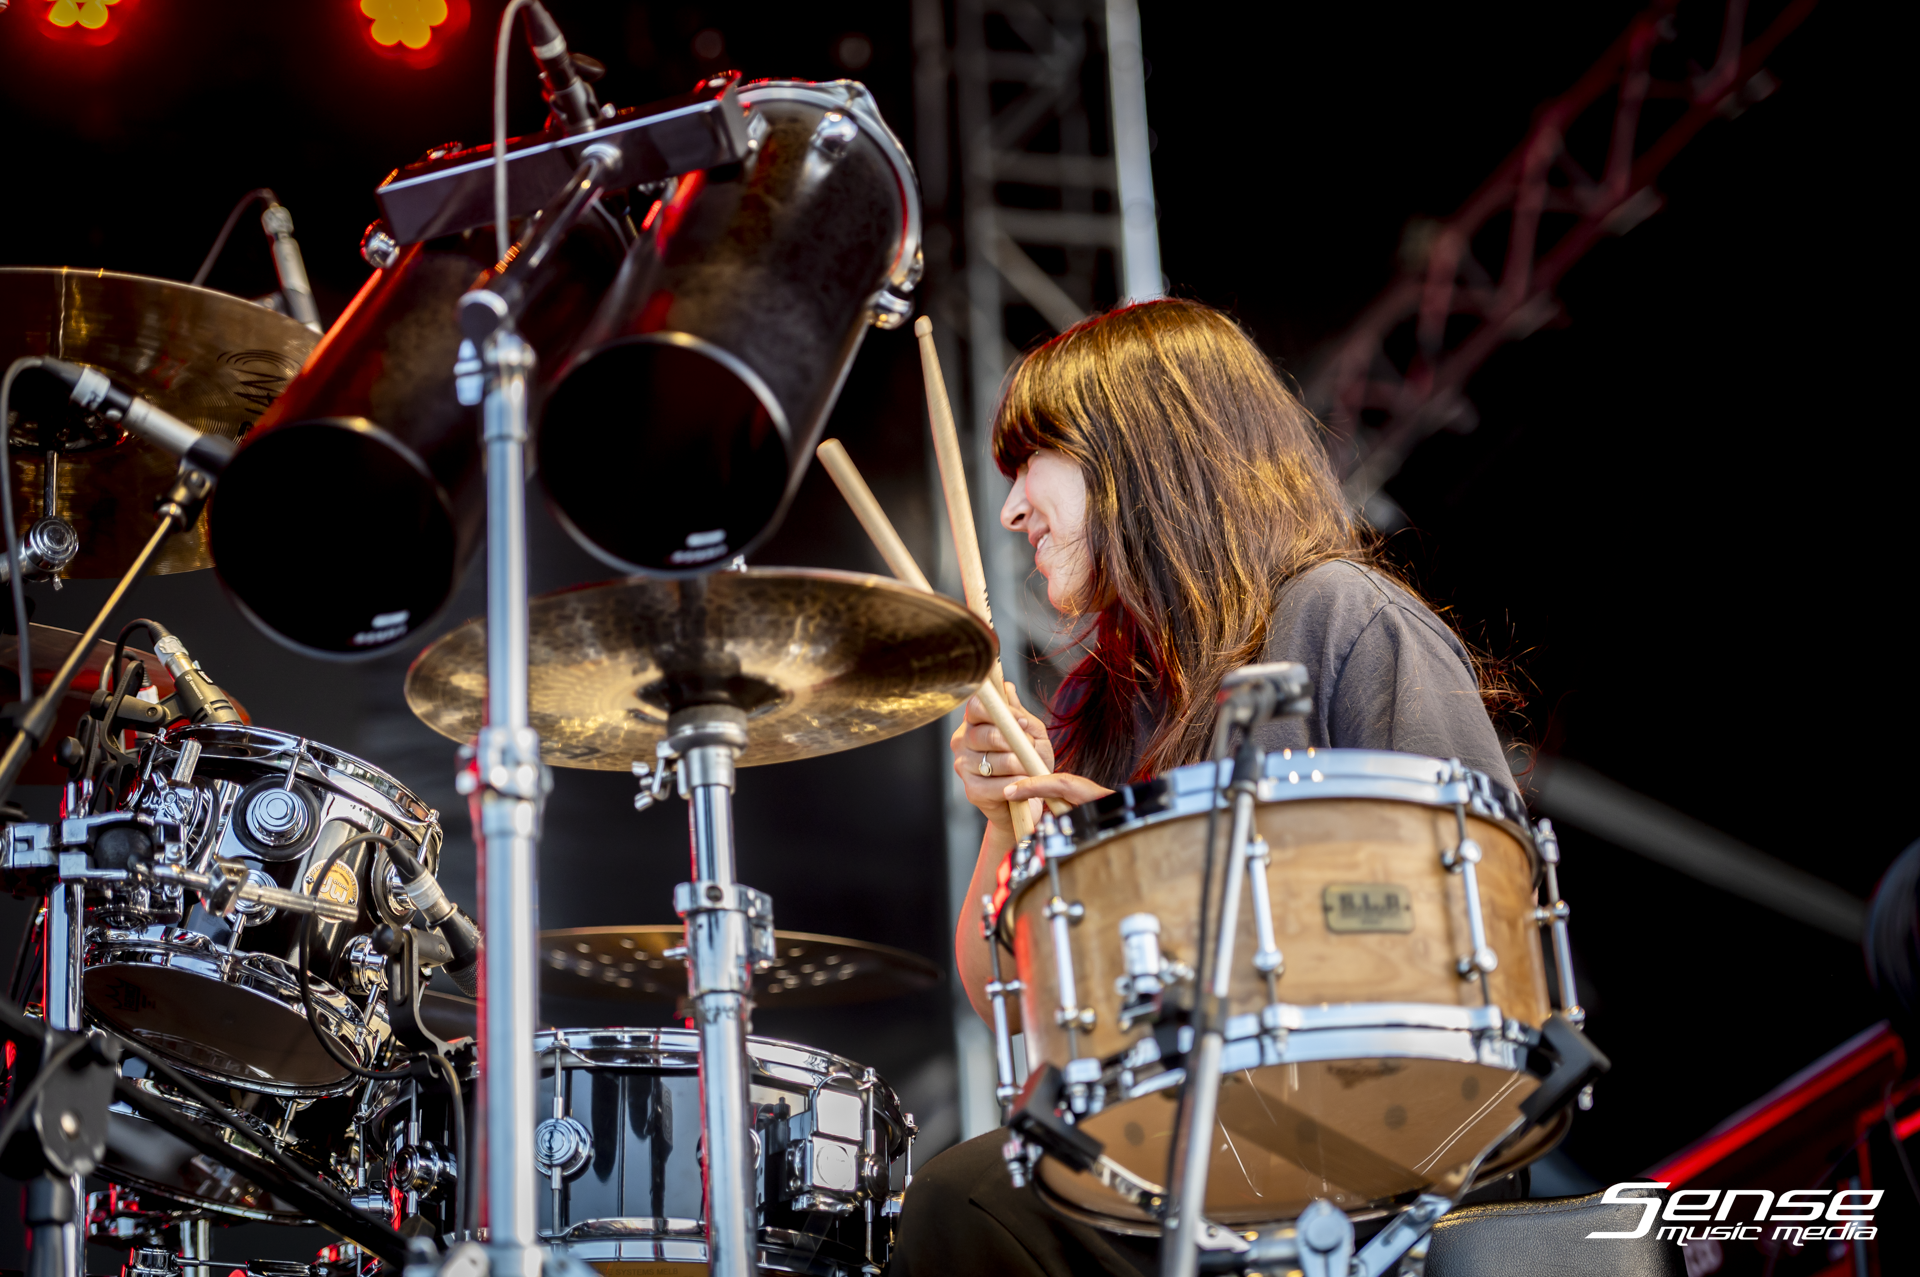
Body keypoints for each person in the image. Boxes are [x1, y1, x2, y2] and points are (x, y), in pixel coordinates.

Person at [888, 299, 1518, 1276]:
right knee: (968, 1195)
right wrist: (1008, 827)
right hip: (1194, 1151)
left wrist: (1161, 870)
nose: (1010, 510)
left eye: (1033, 461)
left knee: (970, 1197)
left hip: (1379, 1137)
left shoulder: (1340, 618)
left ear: (1138, 452)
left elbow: (1474, 932)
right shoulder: (1105, 706)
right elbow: (1013, 1008)